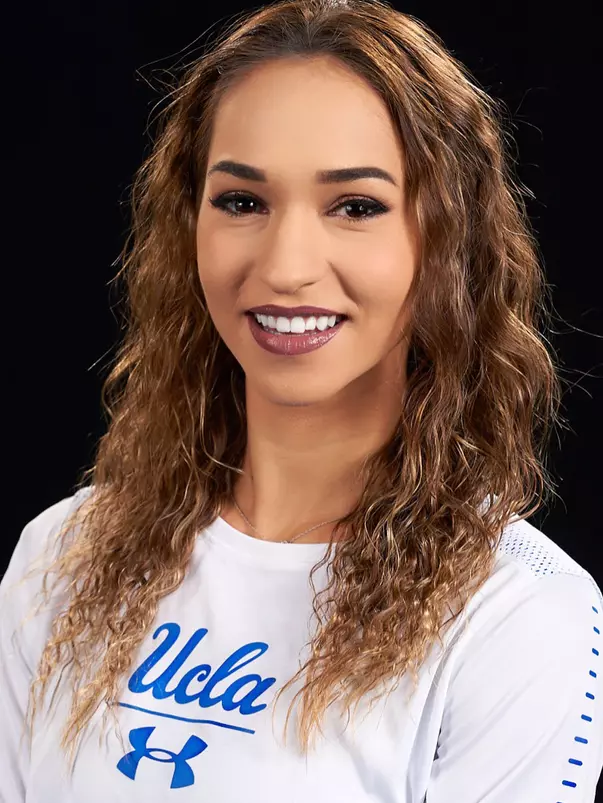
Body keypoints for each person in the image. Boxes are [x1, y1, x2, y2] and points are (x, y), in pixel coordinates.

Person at [1, 0, 602, 800]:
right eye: (242, 202)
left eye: (354, 206)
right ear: (189, 225)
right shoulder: (60, 559)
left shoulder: (517, 615)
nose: (286, 266)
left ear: (447, 242)